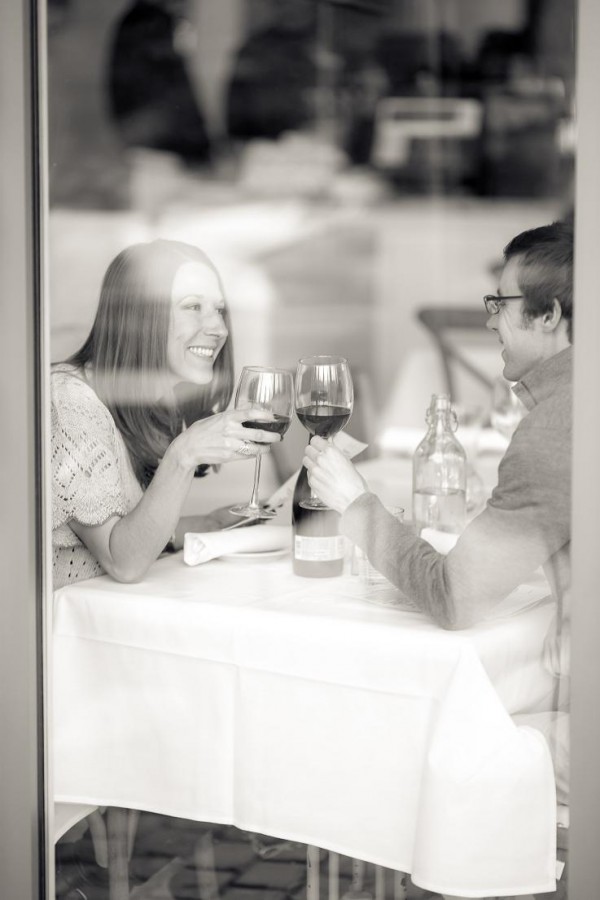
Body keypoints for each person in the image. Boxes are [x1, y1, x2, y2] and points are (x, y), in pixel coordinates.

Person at [304, 220, 573, 801]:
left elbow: (455, 597)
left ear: (549, 315)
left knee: (427, 742)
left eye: (500, 303)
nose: (489, 320)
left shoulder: (557, 427)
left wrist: (355, 505)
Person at [51, 239, 281, 589]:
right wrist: (184, 453)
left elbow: (126, 529)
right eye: (192, 307)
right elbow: (123, 562)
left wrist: (204, 524)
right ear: (139, 317)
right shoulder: (70, 401)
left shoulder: (153, 404)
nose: (218, 328)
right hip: (57, 633)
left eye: (218, 310)